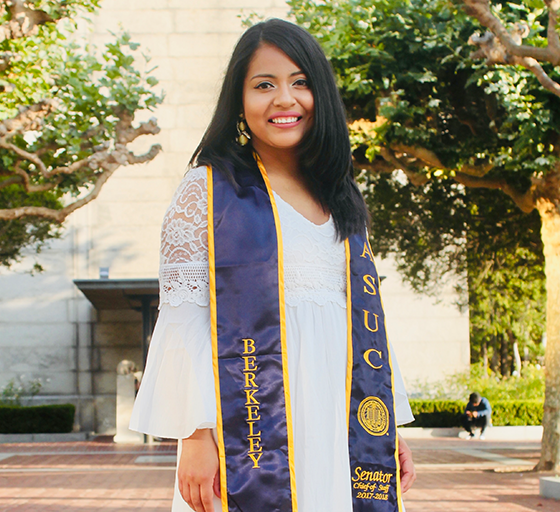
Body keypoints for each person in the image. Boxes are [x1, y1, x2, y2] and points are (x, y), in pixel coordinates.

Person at [130, 19, 415, 512]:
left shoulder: (341, 196)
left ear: (320, 95)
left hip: (338, 427)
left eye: (300, 82)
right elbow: (183, 321)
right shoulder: (208, 192)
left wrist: (384, 428)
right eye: (264, 85)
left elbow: (365, 326)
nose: (285, 99)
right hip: (251, 429)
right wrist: (194, 436)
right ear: (239, 101)